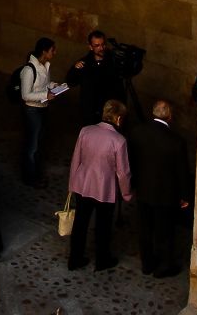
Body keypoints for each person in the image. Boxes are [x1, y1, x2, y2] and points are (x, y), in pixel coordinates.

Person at [67, 98, 133, 272]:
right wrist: (126, 193)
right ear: (118, 119)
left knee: (80, 223)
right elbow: (123, 172)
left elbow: (76, 159)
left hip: (83, 184)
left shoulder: (85, 131)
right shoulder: (119, 141)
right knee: (103, 227)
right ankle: (102, 259)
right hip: (105, 189)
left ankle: (74, 259)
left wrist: (72, 183)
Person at [127, 98, 191, 277]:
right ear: (170, 116)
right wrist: (184, 195)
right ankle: (165, 266)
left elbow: (131, 160)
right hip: (166, 194)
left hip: (143, 189)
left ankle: (147, 263)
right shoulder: (176, 142)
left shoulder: (137, 132)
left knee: (145, 229)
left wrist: (132, 184)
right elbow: (182, 172)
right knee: (165, 231)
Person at [19, 36, 62, 187]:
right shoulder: (29, 70)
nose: (55, 52)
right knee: (33, 146)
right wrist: (46, 95)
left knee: (38, 143)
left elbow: (43, 84)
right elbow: (25, 95)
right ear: (44, 51)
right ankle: (30, 177)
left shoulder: (45, 66)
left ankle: (35, 174)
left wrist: (54, 86)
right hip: (32, 111)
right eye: (52, 50)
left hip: (43, 109)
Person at [66, 28, 127, 125]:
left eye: (103, 44)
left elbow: (120, 89)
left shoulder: (113, 63)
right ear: (90, 47)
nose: (101, 48)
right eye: (97, 45)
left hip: (108, 114)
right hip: (89, 113)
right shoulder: (84, 64)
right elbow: (70, 81)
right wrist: (75, 69)